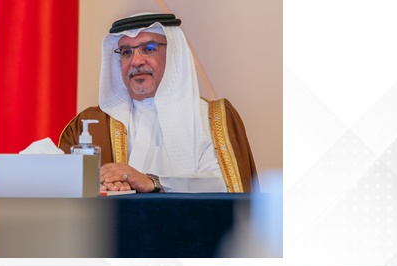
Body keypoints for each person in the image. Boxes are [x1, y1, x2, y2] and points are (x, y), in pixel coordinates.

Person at [58, 13, 256, 193]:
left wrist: (154, 182)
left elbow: (225, 185)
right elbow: (61, 189)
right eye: (126, 52)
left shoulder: (212, 117)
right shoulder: (91, 123)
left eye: (149, 49)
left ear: (173, 55)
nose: (136, 61)